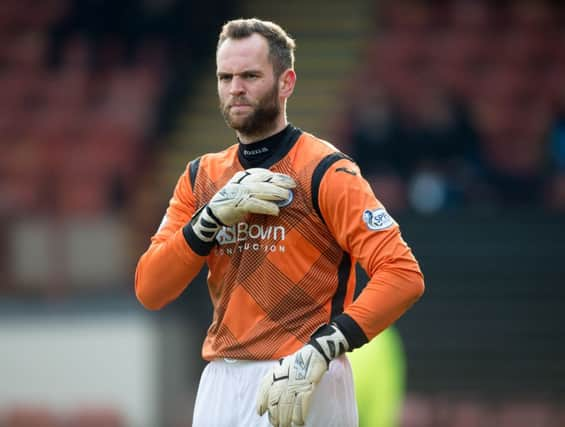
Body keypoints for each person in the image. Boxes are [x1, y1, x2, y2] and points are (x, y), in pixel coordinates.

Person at [135, 18, 425, 427]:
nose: (235, 87)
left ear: (286, 82)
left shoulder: (326, 171)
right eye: (225, 76)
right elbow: (150, 289)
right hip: (220, 379)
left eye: (250, 75)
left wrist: (323, 349)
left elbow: (403, 275)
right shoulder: (201, 178)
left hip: (304, 373)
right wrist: (208, 221)